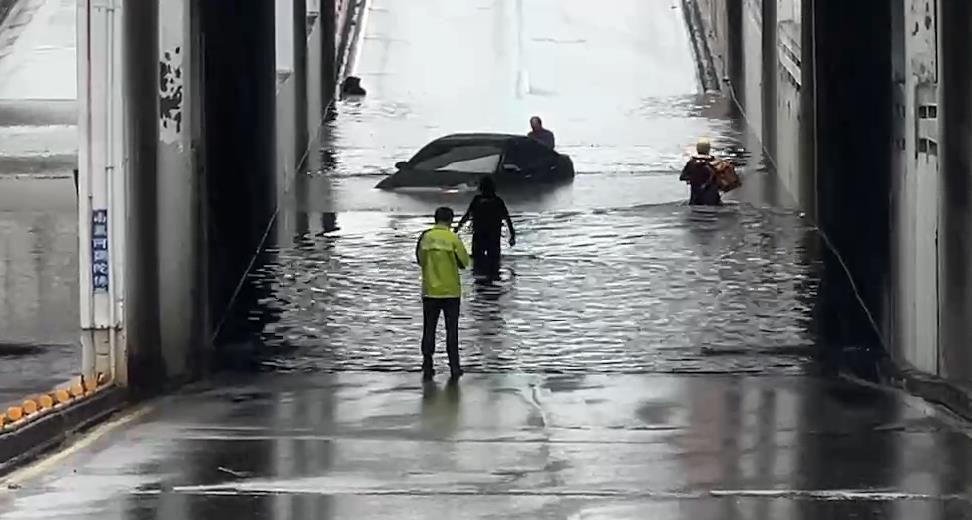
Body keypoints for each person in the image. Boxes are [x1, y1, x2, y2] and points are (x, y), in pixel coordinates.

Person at [416, 207, 471, 381]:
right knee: (451, 330)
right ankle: (454, 367)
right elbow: (464, 262)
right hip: (450, 292)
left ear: (435, 219)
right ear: (450, 220)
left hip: (430, 291)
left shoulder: (425, 238)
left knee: (429, 328)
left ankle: (427, 364)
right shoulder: (453, 238)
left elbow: (420, 260)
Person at [454, 176, 516, 279]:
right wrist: (512, 235)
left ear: (481, 188)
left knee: (477, 263)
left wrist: (457, 228)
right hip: (494, 237)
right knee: (494, 263)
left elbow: (467, 216)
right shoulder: (498, 201)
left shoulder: (477, 200)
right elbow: (507, 219)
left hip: (479, 236)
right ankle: (493, 280)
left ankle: (480, 282)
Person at [679, 138, 722, 206]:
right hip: (713, 201)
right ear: (708, 149)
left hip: (696, 199)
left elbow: (682, 177)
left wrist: (692, 178)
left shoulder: (691, 163)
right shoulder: (716, 163)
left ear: (697, 148)